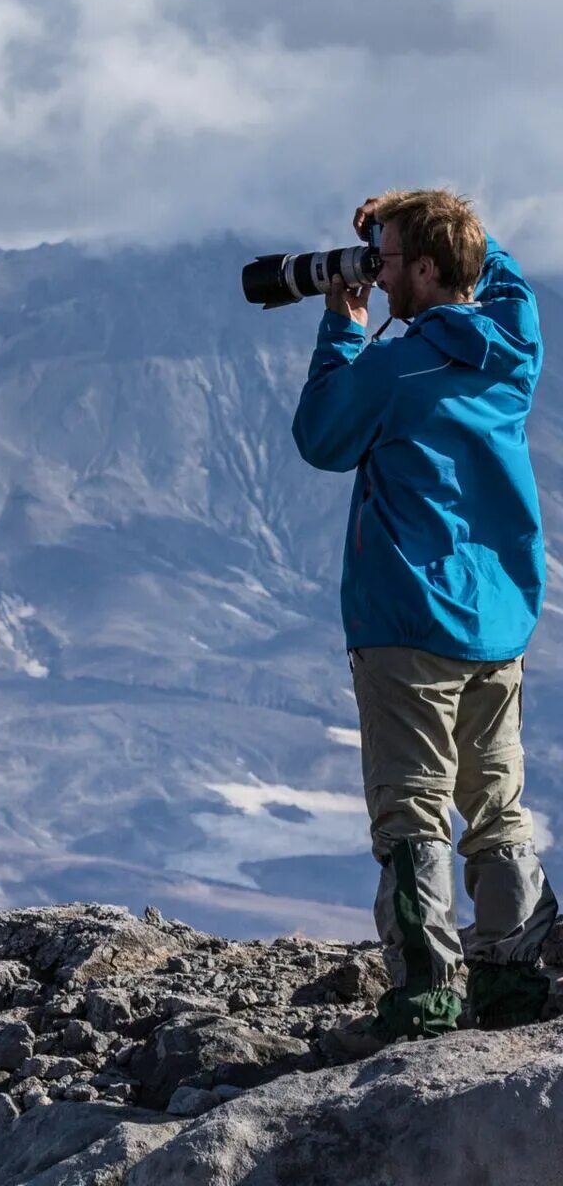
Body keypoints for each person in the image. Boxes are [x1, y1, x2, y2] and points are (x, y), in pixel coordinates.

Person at [293, 188, 556, 1039]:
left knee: (413, 814)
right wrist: (429, 216)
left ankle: (428, 995)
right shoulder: (516, 345)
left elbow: (322, 438)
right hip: (499, 623)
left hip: (409, 621)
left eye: (393, 257)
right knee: (499, 808)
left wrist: (342, 322)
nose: (380, 271)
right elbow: (502, 276)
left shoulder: (397, 368)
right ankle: (514, 986)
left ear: (432, 270)